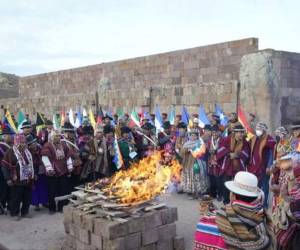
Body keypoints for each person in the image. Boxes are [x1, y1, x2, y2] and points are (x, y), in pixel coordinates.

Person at [194, 171, 271, 250]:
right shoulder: (262, 219)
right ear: (255, 198)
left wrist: (213, 213)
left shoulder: (207, 221)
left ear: (233, 196)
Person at [2, 134, 34, 220]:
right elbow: (5, 166)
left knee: (27, 197)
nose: (23, 145)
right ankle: (14, 213)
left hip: (27, 178)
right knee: (16, 198)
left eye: (24, 143)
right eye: (21, 143)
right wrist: (8, 178)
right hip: (16, 179)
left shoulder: (27, 152)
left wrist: (33, 174)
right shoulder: (10, 152)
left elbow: (31, 164)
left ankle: (25, 212)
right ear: (16, 143)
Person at [217, 124, 250, 204]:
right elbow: (220, 149)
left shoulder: (245, 142)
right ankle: (226, 202)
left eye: (242, 132)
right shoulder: (226, 139)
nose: (241, 134)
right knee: (226, 185)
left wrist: (237, 155)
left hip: (238, 166)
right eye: (239, 132)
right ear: (234, 133)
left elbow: (246, 153)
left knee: (238, 185)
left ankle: (237, 202)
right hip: (227, 166)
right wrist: (229, 154)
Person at [41, 130, 73, 214]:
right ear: (51, 137)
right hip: (52, 171)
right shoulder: (47, 146)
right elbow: (45, 158)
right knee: (52, 190)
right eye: (56, 136)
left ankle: (61, 207)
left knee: (63, 189)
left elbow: (68, 156)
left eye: (59, 136)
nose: (58, 138)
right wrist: (49, 169)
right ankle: (52, 208)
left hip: (63, 170)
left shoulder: (63, 145)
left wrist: (70, 166)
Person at [248, 122, 276, 207]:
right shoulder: (254, 139)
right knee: (255, 186)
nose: (258, 131)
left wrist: (269, 166)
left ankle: (264, 204)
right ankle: (256, 203)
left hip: (263, 167)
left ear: (264, 130)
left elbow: (271, 154)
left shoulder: (269, 139)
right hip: (253, 166)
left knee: (264, 187)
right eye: (257, 129)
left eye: (260, 129)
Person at [180, 129, 208, 199]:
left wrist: (195, 149)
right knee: (191, 178)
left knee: (198, 177)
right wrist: (189, 149)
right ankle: (192, 193)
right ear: (189, 136)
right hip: (189, 163)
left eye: (194, 136)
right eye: (191, 135)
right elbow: (182, 152)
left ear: (197, 136)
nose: (193, 137)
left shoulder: (200, 143)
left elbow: (203, 152)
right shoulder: (187, 143)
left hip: (198, 163)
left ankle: (199, 192)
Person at [26, 134, 48, 211]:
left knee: (43, 187)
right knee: (35, 188)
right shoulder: (27, 152)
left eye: (34, 142)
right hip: (33, 172)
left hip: (42, 170)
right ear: (29, 145)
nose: (34, 144)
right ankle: (36, 204)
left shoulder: (40, 147)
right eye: (32, 143)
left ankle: (44, 202)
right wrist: (33, 174)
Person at [0, 125, 15, 214]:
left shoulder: (14, 145)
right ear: (3, 136)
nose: (10, 136)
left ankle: (11, 206)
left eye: (11, 135)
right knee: (3, 190)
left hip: (12, 171)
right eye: (7, 135)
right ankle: (2, 206)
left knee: (12, 190)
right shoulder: (1, 146)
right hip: (2, 171)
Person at [207, 125, 222, 200]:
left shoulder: (222, 140)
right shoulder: (210, 140)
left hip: (218, 162)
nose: (215, 134)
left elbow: (223, 149)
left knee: (218, 179)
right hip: (211, 161)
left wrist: (216, 151)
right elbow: (207, 148)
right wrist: (209, 151)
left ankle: (219, 194)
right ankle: (212, 194)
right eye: (213, 132)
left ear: (219, 132)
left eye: (216, 132)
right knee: (211, 178)